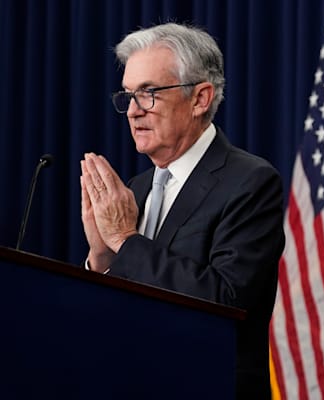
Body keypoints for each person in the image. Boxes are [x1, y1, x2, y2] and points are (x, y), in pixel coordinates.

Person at [80, 22, 285, 399]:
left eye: (149, 93)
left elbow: (226, 300)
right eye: (128, 95)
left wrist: (126, 241)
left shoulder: (251, 182)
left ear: (200, 98)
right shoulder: (136, 190)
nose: (132, 112)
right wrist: (102, 256)